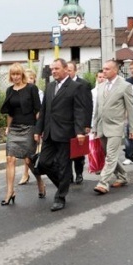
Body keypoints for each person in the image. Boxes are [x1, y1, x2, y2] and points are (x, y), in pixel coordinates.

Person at [34, 58, 88, 211]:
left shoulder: (75, 87)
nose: (54, 71)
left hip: (66, 133)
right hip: (50, 132)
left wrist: (80, 132)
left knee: (64, 166)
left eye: (57, 68)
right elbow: (44, 110)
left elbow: (79, 111)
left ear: (65, 69)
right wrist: (38, 131)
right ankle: (62, 184)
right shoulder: (50, 86)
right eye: (52, 69)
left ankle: (60, 197)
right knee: (43, 162)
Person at [0, 63, 44, 204]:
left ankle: (40, 182)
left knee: (28, 160)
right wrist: (8, 127)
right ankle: (10, 192)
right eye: (13, 74)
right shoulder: (9, 90)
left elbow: (38, 111)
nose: (15, 77)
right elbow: (10, 112)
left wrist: (38, 130)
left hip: (29, 128)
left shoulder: (32, 88)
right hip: (15, 129)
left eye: (18, 74)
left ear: (22, 75)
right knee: (10, 159)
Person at [91, 60, 133, 194]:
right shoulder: (101, 85)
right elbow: (98, 108)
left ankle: (103, 182)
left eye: (107, 69)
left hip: (116, 126)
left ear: (115, 70)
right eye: (103, 69)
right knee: (108, 155)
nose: (103, 71)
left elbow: (131, 108)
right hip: (101, 126)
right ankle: (122, 176)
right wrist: (94, 127)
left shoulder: (125, 86)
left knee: (111, 156)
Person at [66, 61, 93, 183]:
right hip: (66, 124)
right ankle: (69, 175)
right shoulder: (62, 84)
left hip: (79, 123)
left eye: (70, 70)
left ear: (75, 71)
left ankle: (79, 173)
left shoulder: (84, 84)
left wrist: (87, 124)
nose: (67, 72)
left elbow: (88, 105)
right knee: (66, 151)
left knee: (77, 151)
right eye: (66, 70)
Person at [18, 69, 43, 186]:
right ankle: (28, 173)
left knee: (29, 153)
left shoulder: (40, 93)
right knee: (26, 152)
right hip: (23, 125)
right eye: (27, 78)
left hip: (35, 125)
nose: (29, 80)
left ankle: (28, 174)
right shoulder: (21, 92)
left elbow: (41, 112)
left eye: (31, 78)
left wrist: (39, 129)